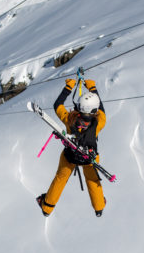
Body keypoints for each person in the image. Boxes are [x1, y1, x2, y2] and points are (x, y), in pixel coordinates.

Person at [36, 77, 107, 217]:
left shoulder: (70, 119)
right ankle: (99, 207)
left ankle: (47, 207)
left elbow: (57, 105)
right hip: (90, 157)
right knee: (93, 180)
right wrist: (92, 88)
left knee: (60, 178)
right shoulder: (99, 122)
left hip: (70, 156)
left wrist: (68, 87)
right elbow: (101, 108)